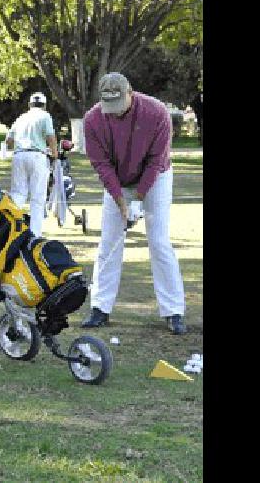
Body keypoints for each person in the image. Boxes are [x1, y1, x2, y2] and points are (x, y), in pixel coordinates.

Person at [80, 72, 187, 335]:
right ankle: (100, 308)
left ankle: (173, 311)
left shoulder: (156, 112)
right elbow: (101, 165)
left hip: (156, 177)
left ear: (131, 93)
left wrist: (138, 200)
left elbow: (155, 162)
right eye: (109, 107)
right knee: (108, 242)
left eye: (119, 105)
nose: (114, 114)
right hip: (117, 179)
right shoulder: (93, 119)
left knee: (159, 241)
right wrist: (121, 201)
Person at [5, 92, 57, 237]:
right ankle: (35, 234)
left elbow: (9, 140)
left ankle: (10, 227)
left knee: (18, 194)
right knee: (37, 197)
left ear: (30, 105)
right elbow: (50, 137)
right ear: (44, 105)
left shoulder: (21, 117)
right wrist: (55, 153)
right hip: (37, 156)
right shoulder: (45, 116)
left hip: (19, 155)